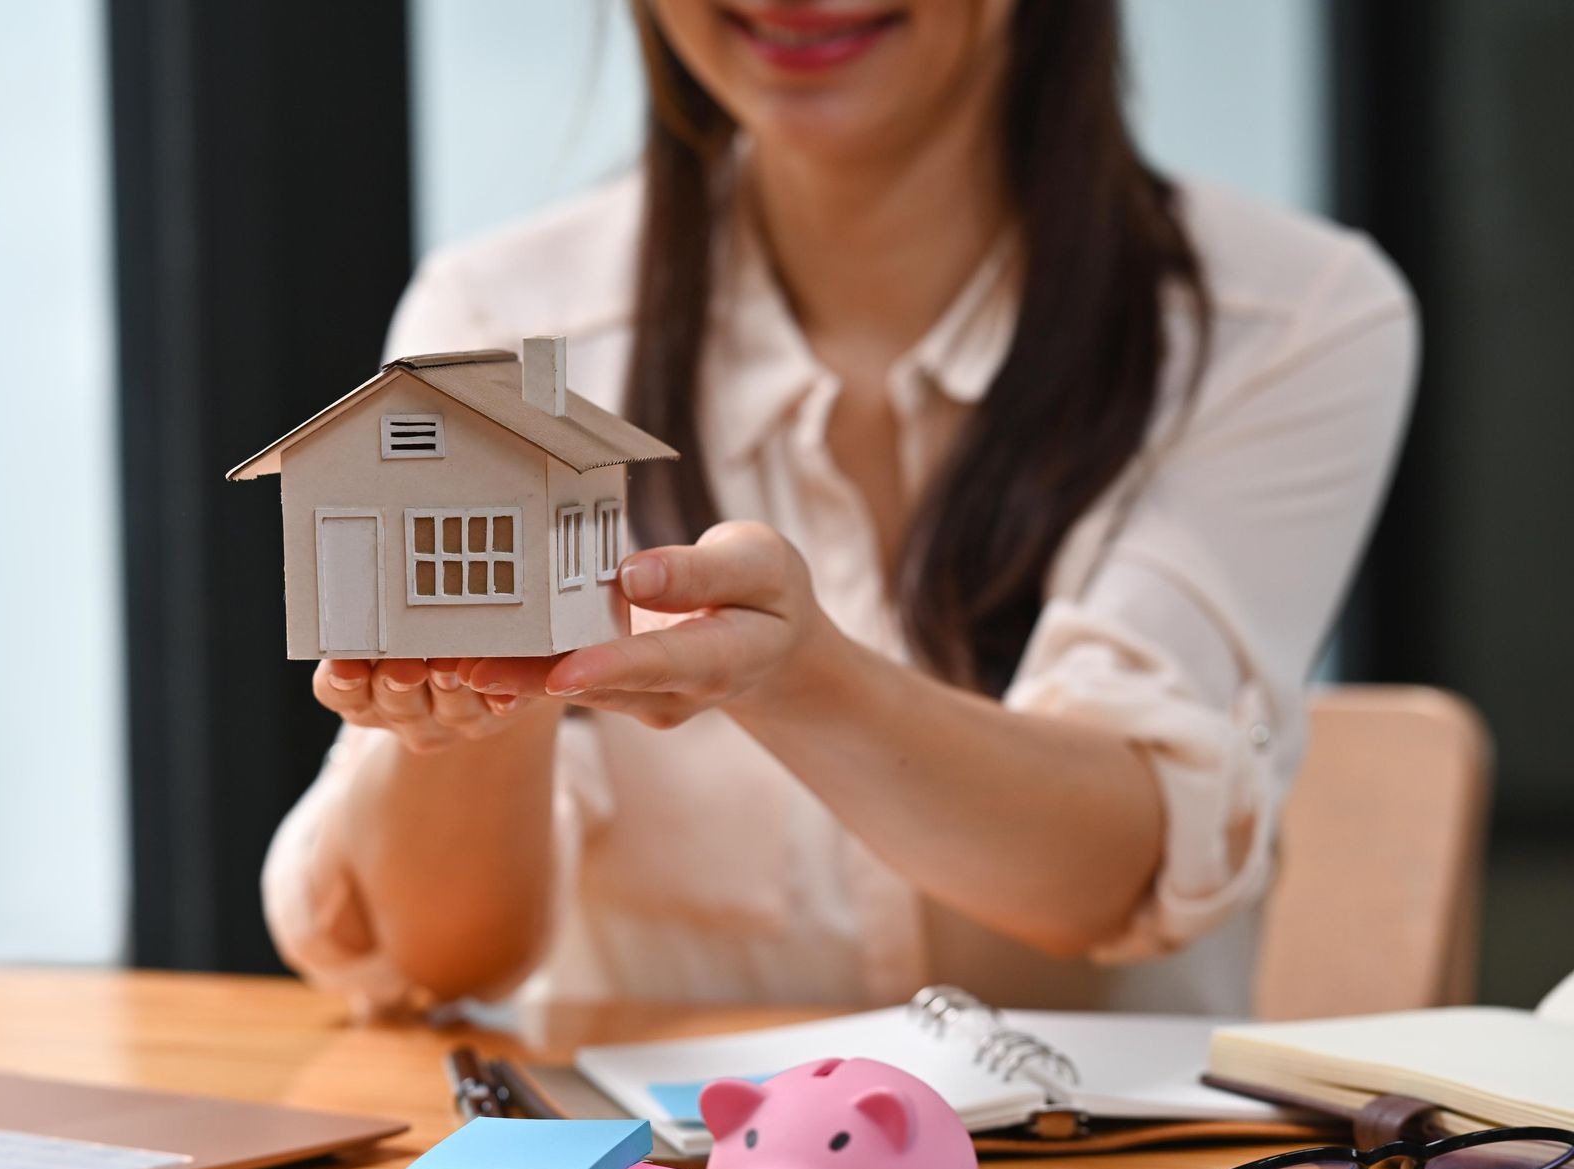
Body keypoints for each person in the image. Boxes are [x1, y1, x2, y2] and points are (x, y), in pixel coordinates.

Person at [261, 0, 1415, 1017]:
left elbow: (1104, 873)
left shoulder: (1289, 320)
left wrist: (801, 674)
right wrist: (468, 711)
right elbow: (443, 958)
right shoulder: (499, 319)